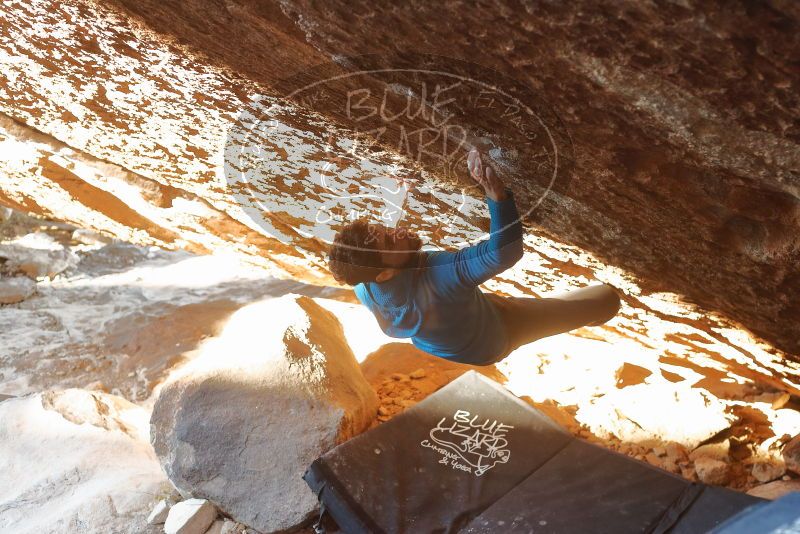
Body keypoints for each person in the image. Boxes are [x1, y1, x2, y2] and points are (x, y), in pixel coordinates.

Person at [326, 147, 621, 365]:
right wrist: (497, 196)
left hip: (453, 333)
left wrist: (400, 191)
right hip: (497, 336)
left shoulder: (363, 282)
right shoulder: (439, 277)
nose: (399, 231)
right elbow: (502, 254)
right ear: (385, 273)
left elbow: (386, 250)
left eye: (385, 229)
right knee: (604, 298)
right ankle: (600, 310)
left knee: (494, 302)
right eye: (391, 241)